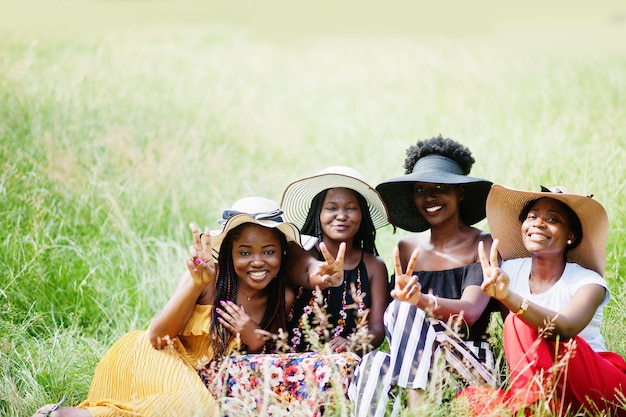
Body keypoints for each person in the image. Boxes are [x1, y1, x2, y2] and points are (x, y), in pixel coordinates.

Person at [31, 197, 316, 417]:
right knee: (195, 409)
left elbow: (268, 352)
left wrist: (250, 333)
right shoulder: (208, 278)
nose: (257, 262)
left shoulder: (283, 296)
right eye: (245, 252)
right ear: (229, 253)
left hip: (196, 380)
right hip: (154, 357)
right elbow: (157, 336)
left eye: (269, 252)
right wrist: (195, 284)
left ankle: (58, 414)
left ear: (282, 254)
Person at [349, 136, 500, 417]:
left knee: (407, 307)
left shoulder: (484, 243)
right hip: (415, 366)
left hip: (469, 361)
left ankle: (417, 408)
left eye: (440, 188)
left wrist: (419, 300)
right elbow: (393, 328)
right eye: (420, 189)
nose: (429, 197)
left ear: (461, 193)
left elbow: (469, 313)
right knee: (373, 362)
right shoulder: (407, 249)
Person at [460, 185, 626, 416]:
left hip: (596, 381)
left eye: (552, 219)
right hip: (543, 387)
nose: (538, 223)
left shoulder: (588, 282)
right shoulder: (509, 271)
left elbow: (565, 328)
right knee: (468, 398)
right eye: (532, 217)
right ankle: (538, 407)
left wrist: (510, 298)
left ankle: (531, 408)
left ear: (570, 235)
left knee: (518, 321)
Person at [281, 166, 390, 355]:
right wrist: (324, 273)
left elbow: (377, 329)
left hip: (345, 361)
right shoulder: (299, 250)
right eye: (331, 208)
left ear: (362, 215)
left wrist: (352, 343)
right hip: (294, 359)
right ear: (318, 213)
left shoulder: (374, 267)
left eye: (351, 208)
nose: (341, 216)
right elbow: (308, 271)